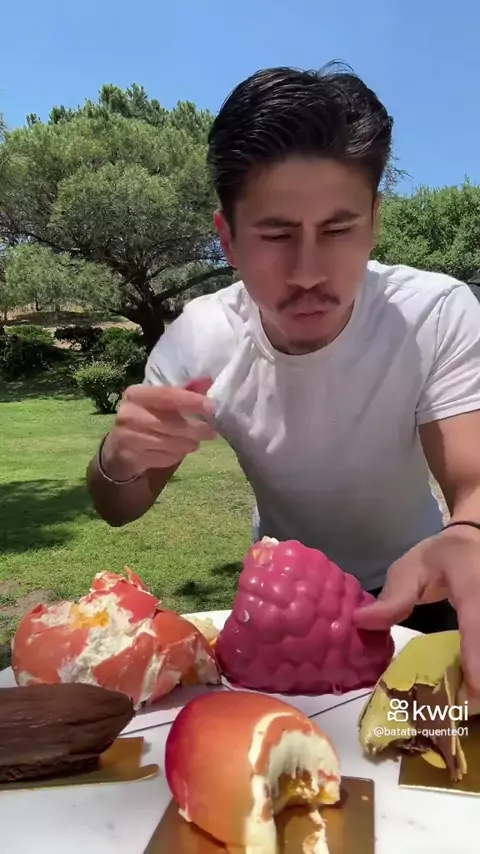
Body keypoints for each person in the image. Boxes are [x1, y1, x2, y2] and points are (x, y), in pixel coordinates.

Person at [86, 63, 480, 705]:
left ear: (375, 221)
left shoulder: (433, 313)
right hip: (278, 609)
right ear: (228, 239)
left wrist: (469, 535)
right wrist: (119, 458)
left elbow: (472, 479)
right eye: (276, 234)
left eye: (337, 230)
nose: (307, 272)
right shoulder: (199, 338)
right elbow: (118, 506)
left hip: (419, 591)